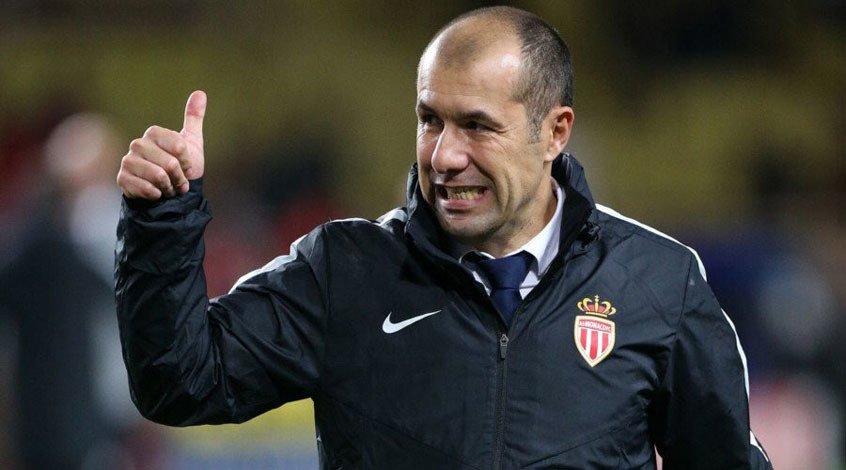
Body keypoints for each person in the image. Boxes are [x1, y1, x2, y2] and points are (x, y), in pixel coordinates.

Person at [115, 6, 772, 469]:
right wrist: (161, 221)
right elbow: (180, 383)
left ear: (555, 132)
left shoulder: (658, 282)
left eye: (477, 126)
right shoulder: (346, 272)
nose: (444, 156)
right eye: (430, 120)